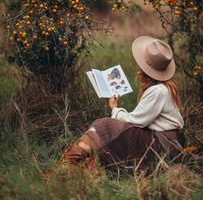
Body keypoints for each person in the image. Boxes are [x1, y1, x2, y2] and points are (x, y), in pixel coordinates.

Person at [44, 36, 186, 178]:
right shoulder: (162, 88)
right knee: (111, 127)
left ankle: (62, 168)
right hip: (164, 140)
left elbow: (138, 121)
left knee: (104, 124)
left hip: (163, 144)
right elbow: (142, 119)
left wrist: (114, 108)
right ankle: (70, 167)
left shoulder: (158, 91)